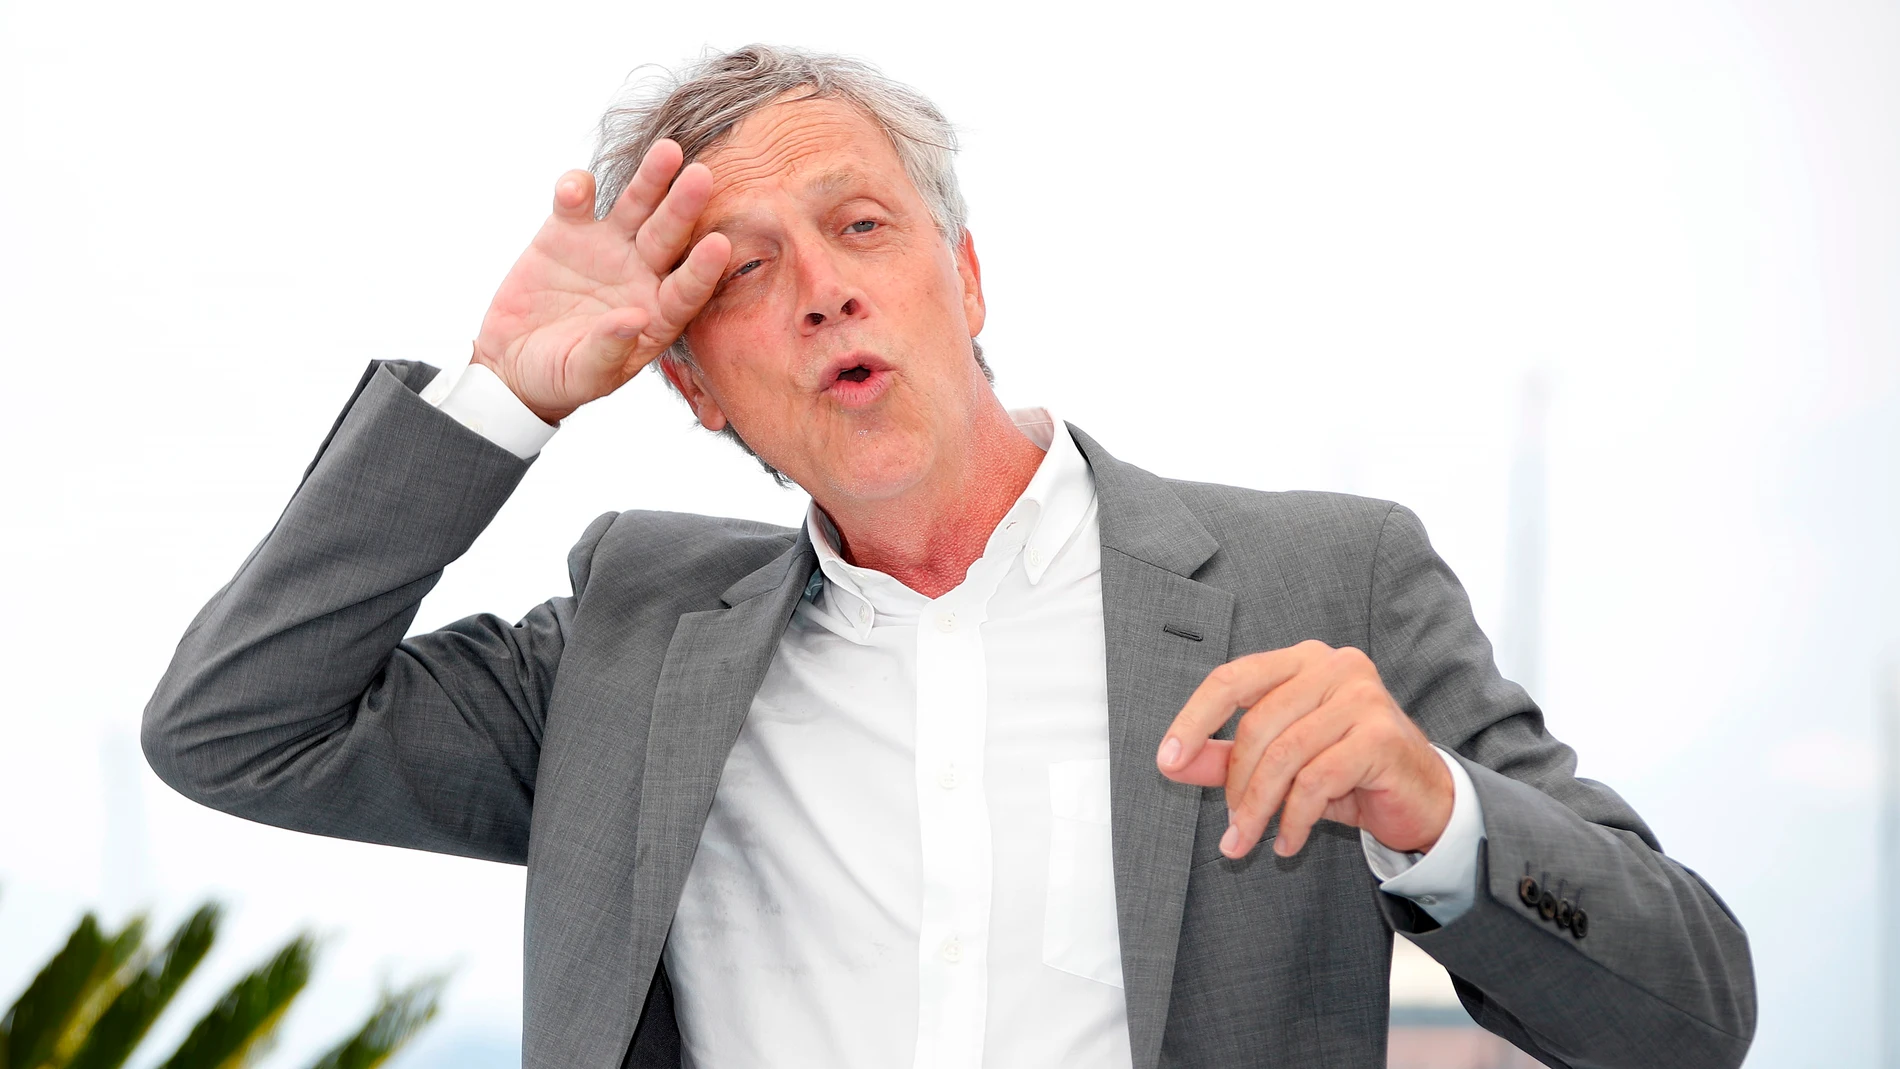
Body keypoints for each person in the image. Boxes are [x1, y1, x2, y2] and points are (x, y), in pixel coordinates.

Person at [142, 44, 1756, 1069]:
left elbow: (1692, 1014)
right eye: (743, 275)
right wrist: (497, 398)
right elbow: (235, 726)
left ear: (965, 280)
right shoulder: (625, 647)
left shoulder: (1322, 586)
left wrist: (1437, 814)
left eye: (861, 229)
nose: (826, 291)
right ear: (693, 389)